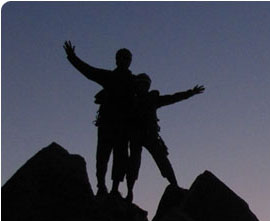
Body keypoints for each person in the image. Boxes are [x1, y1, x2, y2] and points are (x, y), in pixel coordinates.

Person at [63, 41, 135, 197]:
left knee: (120, 157)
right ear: (117, 60)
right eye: (121, 58)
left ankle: (114, 189)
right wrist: (73, 57)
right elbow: (89, 71)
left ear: (129, 62)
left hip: (123, 126)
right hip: (108, 124)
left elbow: (145, 100)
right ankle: (102, 186)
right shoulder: (110, 77)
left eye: (126, 58)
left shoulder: (134, 82)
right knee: (102, 156)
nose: (124, 61)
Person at [126, 73, 204, 202]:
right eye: (141, 84)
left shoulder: (151, 99)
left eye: (145, 84)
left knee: (162, 161)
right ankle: (130, 192)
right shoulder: (131, 100)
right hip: (136, 136)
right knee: (134, 163)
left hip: (150, 135)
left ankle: (174, 185)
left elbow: (173, 98)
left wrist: (190, 93)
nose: (143, 87)